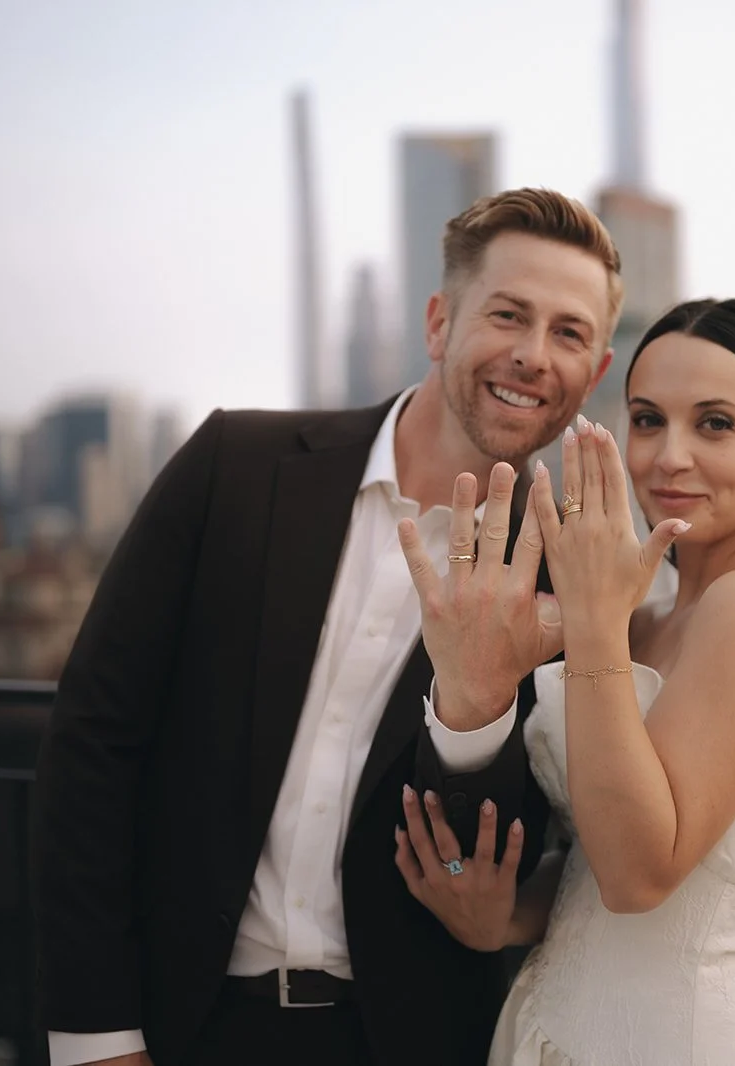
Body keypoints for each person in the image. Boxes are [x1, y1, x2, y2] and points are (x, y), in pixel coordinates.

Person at [31, 188, 626, 1066]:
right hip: (166, 1022)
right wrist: (95, 1039)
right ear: (438, 323)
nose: (534, 355)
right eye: (508, 315)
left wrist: (477, 696)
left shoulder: (573, 585)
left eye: (569, 333)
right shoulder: (234, 466)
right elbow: (91, 747)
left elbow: (491, 861)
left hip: (400, 1042)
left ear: (595, 370)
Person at [395, 298, 735, 1064]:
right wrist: (503, 914)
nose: (669, 457)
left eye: (715, 424)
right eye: (645, 420)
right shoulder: (656, 615)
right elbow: (593, 867)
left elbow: (639, 876)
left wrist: (594, 619)